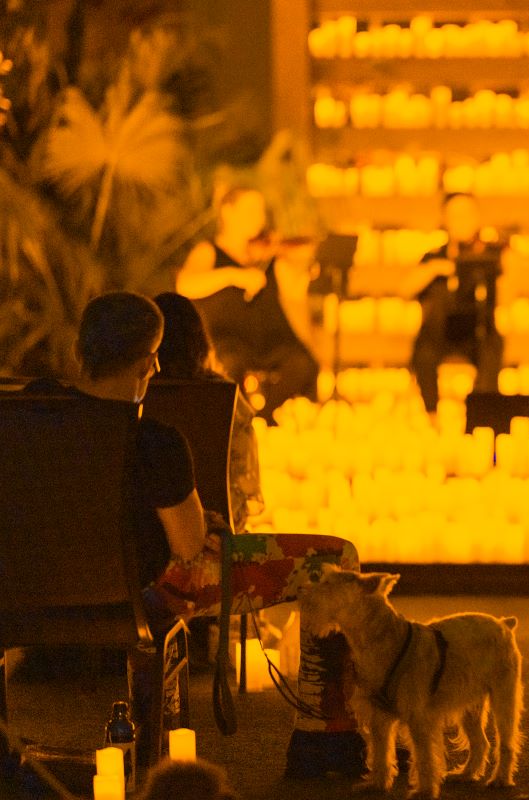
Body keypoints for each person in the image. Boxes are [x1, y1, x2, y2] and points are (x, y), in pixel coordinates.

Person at [23, 293, 365, 778]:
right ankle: (323, 737)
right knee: (337, 557)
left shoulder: (31, 415)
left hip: (31, 588)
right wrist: (203, 521)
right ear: (149, 362)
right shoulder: (158, 443)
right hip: (143, 595)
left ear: (81, 352)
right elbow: (186, 548)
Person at [177, 187, 319, 421]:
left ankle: (263, 418)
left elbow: (293, 295)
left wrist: (302, 275)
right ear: (228, 212)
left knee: (303, 365)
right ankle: (238, 423)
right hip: (229, 342)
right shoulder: (209, 251)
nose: (259, 217)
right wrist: (233, 275)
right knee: (230, 368)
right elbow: (186, 284)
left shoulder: (269, 254)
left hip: (271, 343)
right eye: (251, 209)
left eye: (261, 211)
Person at [154, 292, 264, 533]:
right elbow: (243, 491)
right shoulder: (226, 399)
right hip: (218, 538)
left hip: (147, 538)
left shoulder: (137, 397)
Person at [408, 192, 505, 415]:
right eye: (456, 215)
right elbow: (405, 289)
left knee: (492, 343)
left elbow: (510, 290)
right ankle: (431, 414)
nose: (462, 221)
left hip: (476, 332)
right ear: (445, 220)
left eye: (467, 214)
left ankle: (483, 415)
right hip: (439, 333)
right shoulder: (434, 256)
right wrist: (435, 270)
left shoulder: (489, 254)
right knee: (423, 351)